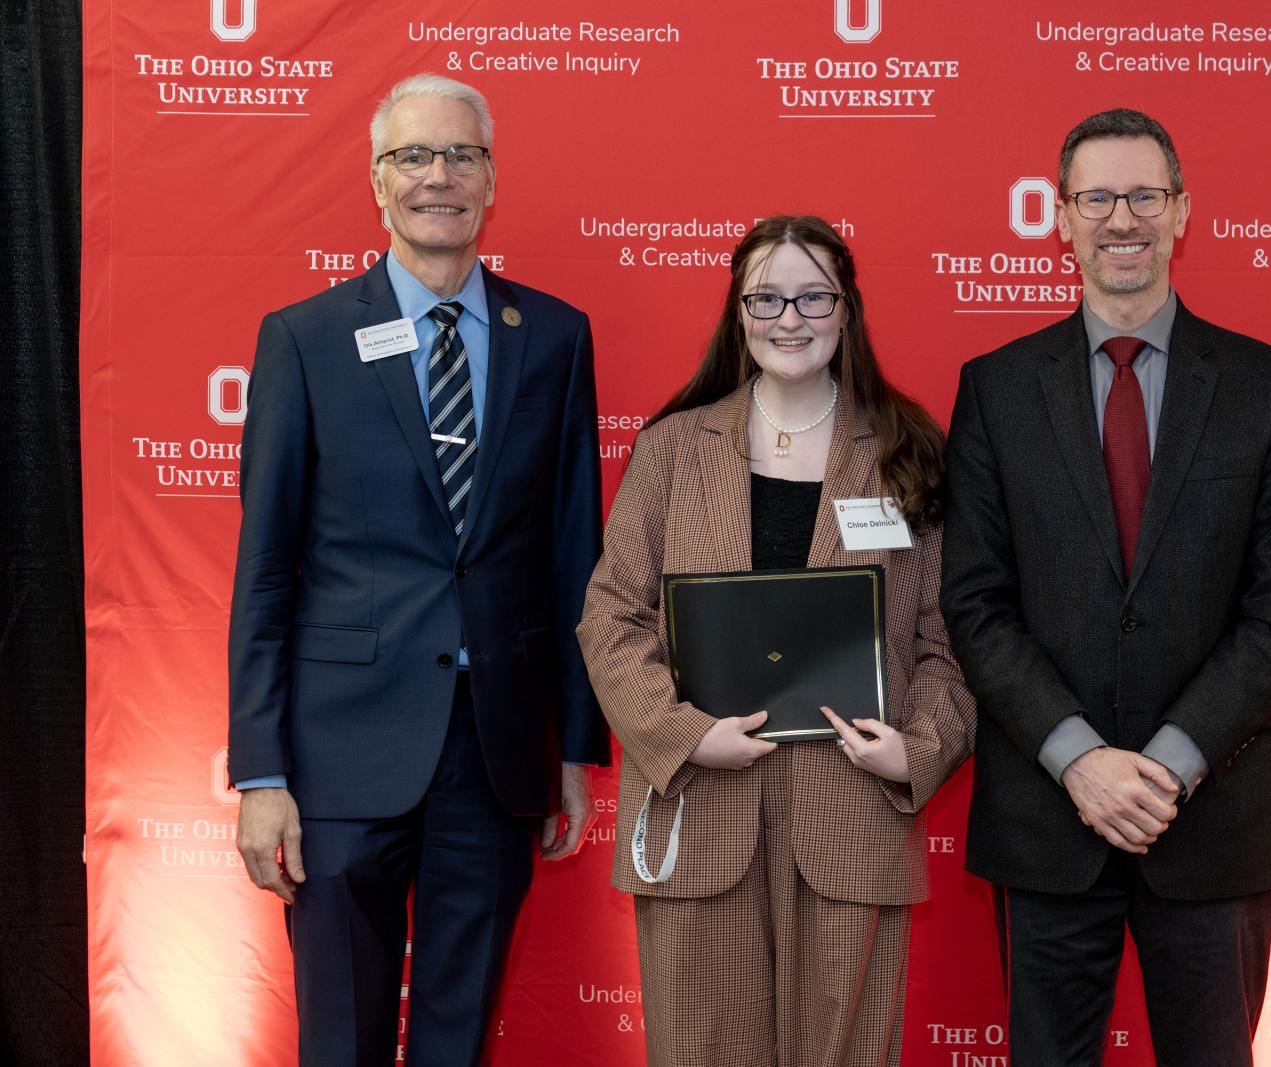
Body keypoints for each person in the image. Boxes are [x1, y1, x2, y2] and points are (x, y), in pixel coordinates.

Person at [227, 73, 607, 1065]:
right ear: (377, 180)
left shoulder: (555, 338)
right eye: (414, 156)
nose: (439, 176)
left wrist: (574, 747)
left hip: (496, 755)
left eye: (462, 155)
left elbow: (574, 553)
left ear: (490, 179)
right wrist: (261, 771)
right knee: (340, 1035)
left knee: (457, 1033)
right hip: (340, 761)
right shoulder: (302, 340)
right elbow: (264, 571)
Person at [940, 109, 1271, 1065]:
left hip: (1214, 815)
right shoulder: (994, 388)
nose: (1124, 218)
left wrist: (1165, 766)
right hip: (1048, 818)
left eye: (1145, 195)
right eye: (1097, 197)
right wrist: (1081, 762)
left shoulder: (1269, 387)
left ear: (1181, 211)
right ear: (1060, 218)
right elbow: (977, 606)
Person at [577, 215, 974, 1067]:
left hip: (852, 815)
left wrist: (918, 748)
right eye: (767, 296)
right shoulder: (672, 448)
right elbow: (611, 617)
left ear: (847, 308)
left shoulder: (909, 452)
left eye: (813, 296)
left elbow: (951, 635)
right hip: (701, 811)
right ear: (739, 308)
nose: (789, 318)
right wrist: (686, 735)